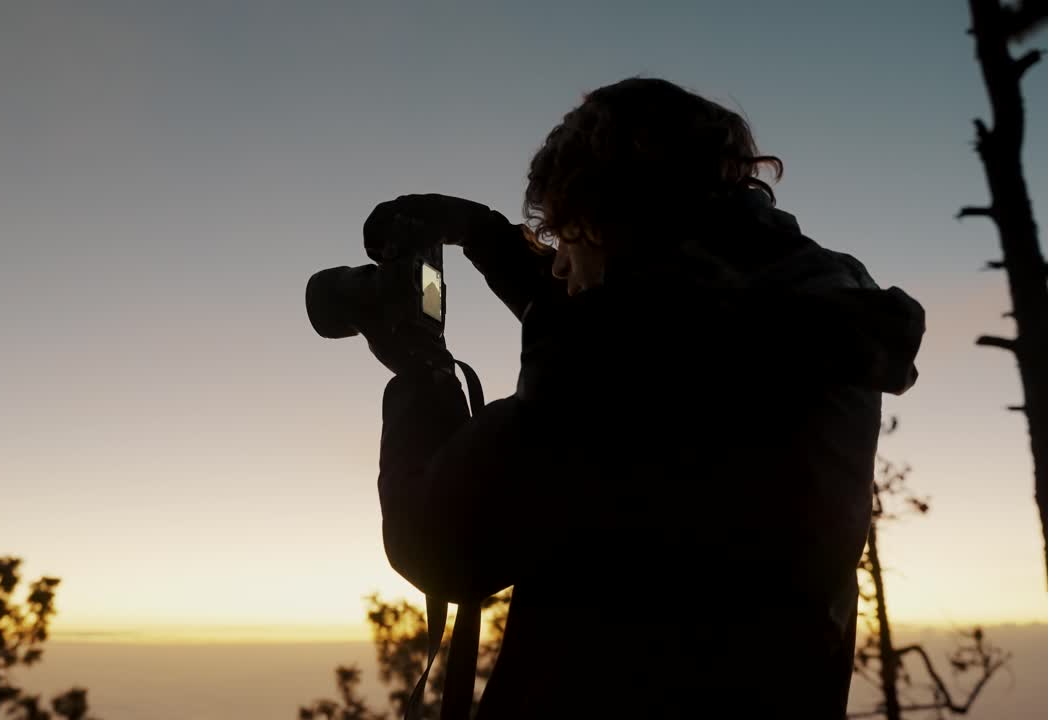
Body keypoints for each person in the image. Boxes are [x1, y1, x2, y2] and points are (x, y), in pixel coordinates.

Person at [360, 77, 926, 719]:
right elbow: (660, 327)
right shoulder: (815, 311)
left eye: (565, 237)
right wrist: (486, 236)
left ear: (603, 219)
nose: (557, 266)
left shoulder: (619, 358)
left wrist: (422, 377)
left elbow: (441, 547)